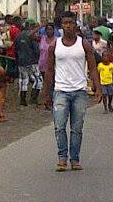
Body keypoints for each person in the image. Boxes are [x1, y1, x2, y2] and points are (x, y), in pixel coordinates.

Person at [41, 11, 102, 172]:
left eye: (70, 23)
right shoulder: (55, 46)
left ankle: (74, 159)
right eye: (64, 23)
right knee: (59, 126)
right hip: (60, 91)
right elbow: (49, 71)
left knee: (76, 128)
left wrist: (98, 88)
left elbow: (93, 68)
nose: (67, 26)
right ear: (61, 26)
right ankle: (62, 158)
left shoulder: (84, 45)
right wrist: (46, 94)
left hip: (80, 91)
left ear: (76, 25)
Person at [14, 19, 43, 106]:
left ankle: (23, 100)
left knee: (24, 80)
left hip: (21, 62)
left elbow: (15, 49)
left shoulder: (18, 36)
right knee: (39, 80)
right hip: (32, 61)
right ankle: (33, 98)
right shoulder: (32, 36)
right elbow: (36, 50)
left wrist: (18, 59)